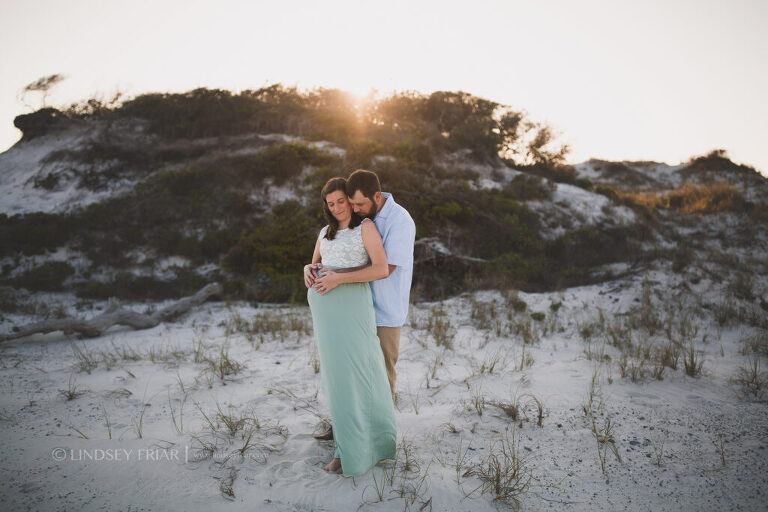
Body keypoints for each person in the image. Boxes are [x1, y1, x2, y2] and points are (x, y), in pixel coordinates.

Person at [307, 169, 416, 441]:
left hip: (385, 309)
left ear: (376, 197)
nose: (354, 209)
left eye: (358, 204)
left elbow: (385, 268)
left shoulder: (399, 221)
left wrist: (338, 276)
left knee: (381, 374)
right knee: (350, 369)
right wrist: (313, 268)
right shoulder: (362, 218)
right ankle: (345, 426)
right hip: (355, 309)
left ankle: (379, 436)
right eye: (349, 203)